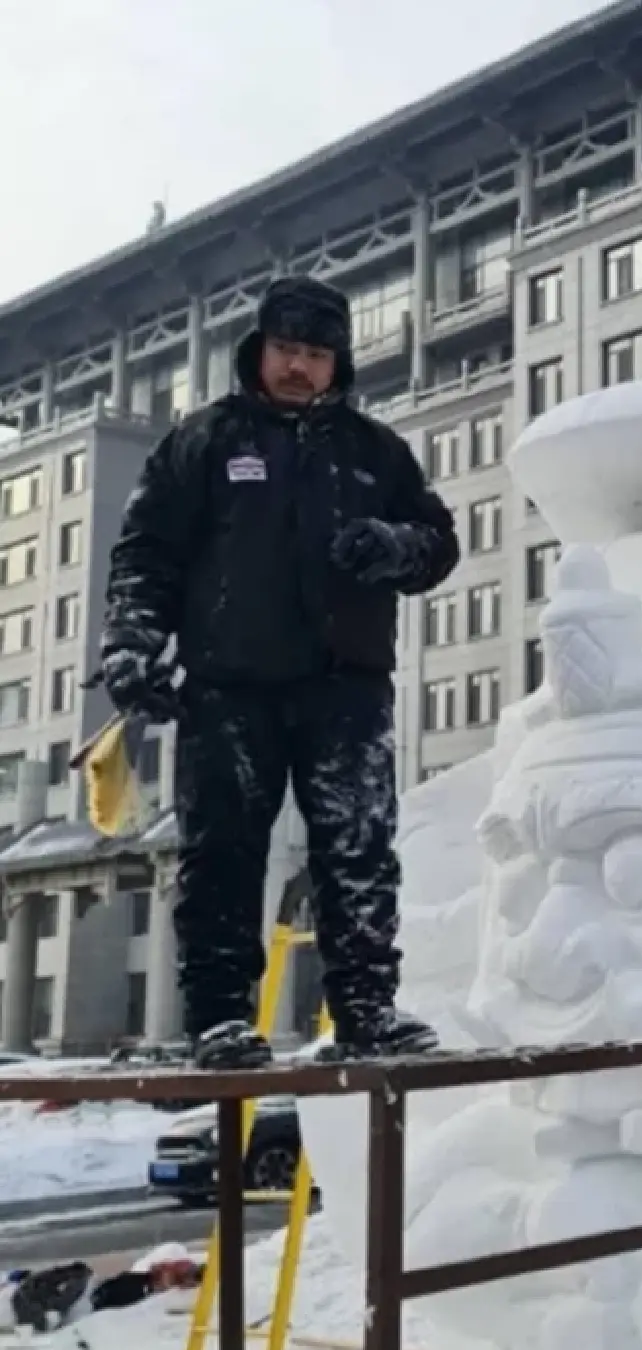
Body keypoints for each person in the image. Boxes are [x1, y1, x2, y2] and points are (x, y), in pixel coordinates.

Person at [99, 275, 459, 1068]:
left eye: (317, 355)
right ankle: (220, 1021)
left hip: (346, 686)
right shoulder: (204, 442)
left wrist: (395, 546)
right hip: (229, 686)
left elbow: (439, 543)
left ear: (339, 364)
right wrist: (131, 642)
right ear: (259, 350)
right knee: (222, 854)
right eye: (287, 349)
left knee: (359, 849)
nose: (299, 367)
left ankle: (366, 1011)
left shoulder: (376, 453)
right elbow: (146, 553)